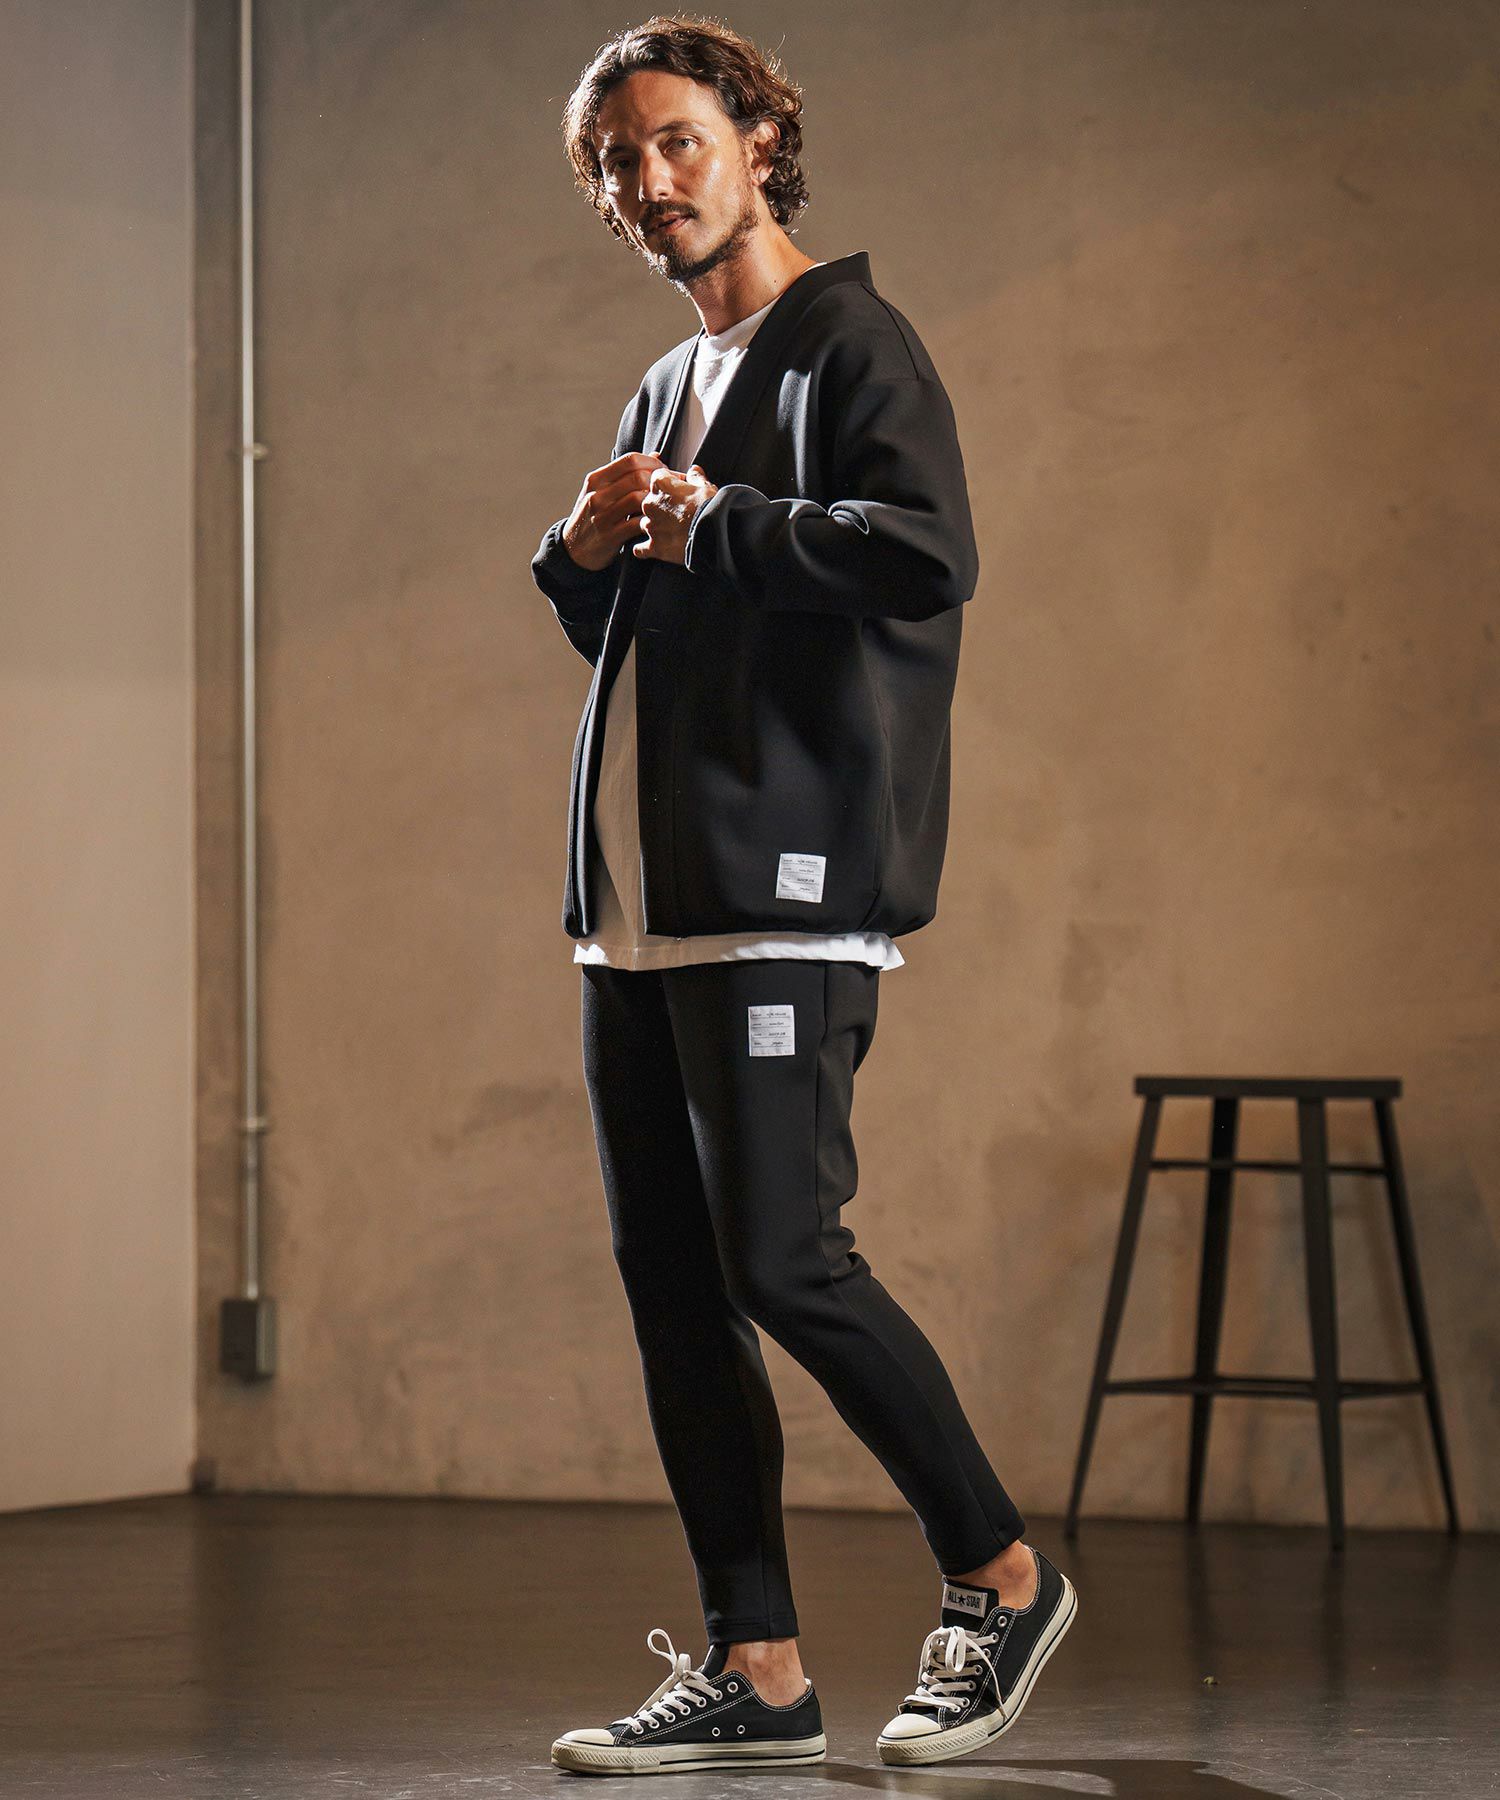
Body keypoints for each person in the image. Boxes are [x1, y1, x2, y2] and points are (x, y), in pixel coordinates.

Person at [530, 15, 1076, 1776]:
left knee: (784, 1258)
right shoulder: (663, 383)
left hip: (783, 896)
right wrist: (582, 553)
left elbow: (925, 552)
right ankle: (756, 1668)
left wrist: (717, 522)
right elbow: (665, 625)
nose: (649, 181)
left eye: (677, 140)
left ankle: (1001, 1575)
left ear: (759, 140)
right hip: (641, 909)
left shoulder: (850, 340)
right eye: (618, 162)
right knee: (676, 1288)